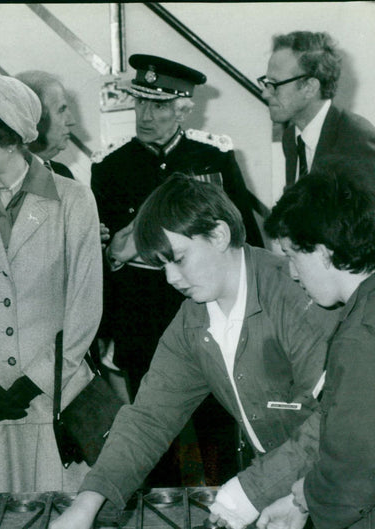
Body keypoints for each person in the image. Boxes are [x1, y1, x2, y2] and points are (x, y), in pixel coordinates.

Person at [50, 175, 334, 529]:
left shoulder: (297, 296)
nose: (170, 278)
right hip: (284, 489)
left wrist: (255, 492)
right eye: (161, 265)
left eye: (179, 259)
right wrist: (87, 502)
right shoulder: (193, 319)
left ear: (218, 235)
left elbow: (336, 420)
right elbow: (149, 419)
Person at [92, 53, 264, 487]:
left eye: (160, 105)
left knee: (217, 442)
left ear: (184, 108)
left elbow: (248, 242)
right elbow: (103, 259)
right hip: (142, 324)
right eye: (140, 103)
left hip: (210, 320)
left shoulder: (212, 160)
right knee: (154, 447)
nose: (146, 115)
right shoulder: (109, 168)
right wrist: (108, 331)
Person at [0, 73, 102, 493]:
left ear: (10, 139)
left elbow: (83, 309)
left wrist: (32, 384)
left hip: (54, 402)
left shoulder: (74, 201)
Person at [253, 158, 375, 529]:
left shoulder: (360, 337)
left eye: (293, 256)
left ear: (323, 251)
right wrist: (305, 501)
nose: (291, 273)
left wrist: (312, 494)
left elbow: (353, 475)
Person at [260, 31, 375, 187]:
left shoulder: (356, 138)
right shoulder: (291, 137)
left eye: (275, 84)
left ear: (310, 87)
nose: (265, 93)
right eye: (266, 83)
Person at [15, 70, 77, 179]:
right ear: (33, 118)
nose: (71, 121)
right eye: (61, 110)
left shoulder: (62, 173)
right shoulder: (8, 180)